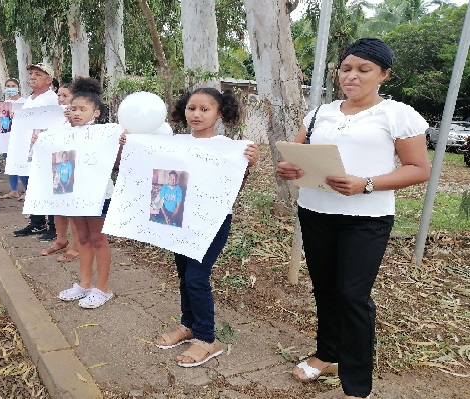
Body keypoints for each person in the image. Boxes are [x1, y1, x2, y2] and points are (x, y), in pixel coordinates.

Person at [276, 38, 430, 399]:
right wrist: (289, 168)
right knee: (326, 289)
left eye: (364, 70)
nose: (352, 76)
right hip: (316, 212)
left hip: (366, 219)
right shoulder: (319, 114)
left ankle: (357, 386)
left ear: (384, 75)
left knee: (352, 295)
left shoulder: (397, 115)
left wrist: (367, 184)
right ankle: (327, 354)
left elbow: (418, 168)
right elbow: (297, 154)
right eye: (346, 68)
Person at [144, 87, 258, 367]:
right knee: (184, 275)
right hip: (180, 220)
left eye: (205, 109)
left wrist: (248, 165)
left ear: (219, 113)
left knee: (197, 277)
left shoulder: (229, 147)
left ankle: (208, 339)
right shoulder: (175, 142)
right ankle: (188, 325)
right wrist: (128, 145)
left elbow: (234, 188)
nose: (196, 114)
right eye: (191, 108)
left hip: (212, 220)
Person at [58, 77, 116, 308]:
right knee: (82, 237)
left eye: (83, 109)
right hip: (73, 194)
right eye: (73, 108)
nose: (77, 113)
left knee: (98, 238)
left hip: (98, 195)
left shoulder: (105, 133)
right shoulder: (62, 133)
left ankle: (103, 288)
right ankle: (84, 284)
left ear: (96, 112)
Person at [11, 63, 59, 240]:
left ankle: (53, 227)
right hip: (30, 151)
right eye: (31, 73)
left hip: (46, 151)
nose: (32, 76)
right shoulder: (29, 99)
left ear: (49, 80)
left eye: (38, 74)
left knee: (48, 188)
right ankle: (37, 222)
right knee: (33, 187)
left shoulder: (51, 99)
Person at [41, 82, 81, 262]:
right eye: (59, 95)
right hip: (58, 168)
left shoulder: (82, 116)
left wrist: (72, 120)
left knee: (73, 210)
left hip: (74, 169)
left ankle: (76, 246)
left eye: (65, 96)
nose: (61, 99)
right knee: (58, 207)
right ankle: (61, 239)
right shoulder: (56, 117)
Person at [0, 78, 28, 200]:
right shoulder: (2, 105)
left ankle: (28, 190)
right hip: (6, 138)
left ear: (19, 88)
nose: (11, 88)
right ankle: (14, 190)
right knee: (10, 163)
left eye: (13, 86)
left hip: (21, 138)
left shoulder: (25, 103)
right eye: (8, 86)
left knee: (21, 164)